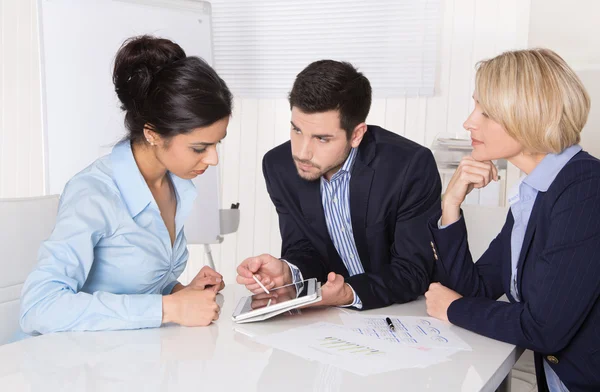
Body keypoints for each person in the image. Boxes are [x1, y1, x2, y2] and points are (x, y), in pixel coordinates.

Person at [20, 35, 232, 334]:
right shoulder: (93, 193)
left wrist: (177, 291)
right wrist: (167, 308)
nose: (213, 159)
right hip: (74, 369)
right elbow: (39, 308)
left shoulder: (174, 184)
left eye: (216, 144)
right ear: (153, 134)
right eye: (199, 148)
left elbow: (124, 280)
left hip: (132, 361)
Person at [424, 48, 600, 391]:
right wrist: (451, 205)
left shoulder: (585, 191)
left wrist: (455, 309)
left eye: (485, 112)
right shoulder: (536, 192)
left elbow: (545, 328)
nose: (469, 122)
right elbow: (475, 289)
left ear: (529, 114)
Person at [237, 60, 441, 310]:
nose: (302, 153)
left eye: (322, 139)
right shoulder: (278, 166)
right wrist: (289, 272)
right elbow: (304, 248)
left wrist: (349, 293)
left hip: (407, 311)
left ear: (356, 135)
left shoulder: (409, 166)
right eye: (296, 130)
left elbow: (412, 271)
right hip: (333, 321)